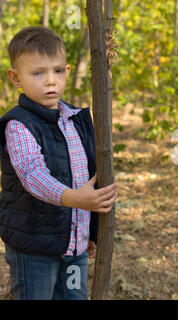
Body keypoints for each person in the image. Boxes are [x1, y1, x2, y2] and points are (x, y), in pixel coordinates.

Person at [0, 26, 118, 300]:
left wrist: (87, 232)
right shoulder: (19, 125)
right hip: (34, 248)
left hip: (73, 249)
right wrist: (76, 198)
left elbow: (85, 175)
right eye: (38, 73)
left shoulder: (76, 120)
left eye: (57, 71)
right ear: (16, 78)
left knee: (75, 296)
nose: (50, 81)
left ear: (66, 70)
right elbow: (33, 175)